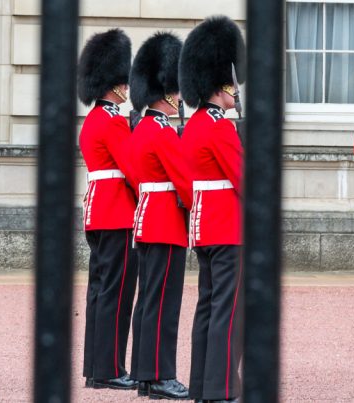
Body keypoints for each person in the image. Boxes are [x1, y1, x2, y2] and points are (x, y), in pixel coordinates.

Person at [178, 16, 246, 402]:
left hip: (204, 227)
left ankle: (202, 384)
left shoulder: (196, 125)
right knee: (227, 311)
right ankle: (221, 387)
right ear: (222, 86)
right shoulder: (220, 127)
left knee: (207, 307)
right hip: (226, 228)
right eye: (232, 87)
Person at [126, 32, 192, 400]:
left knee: (147, 301)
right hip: (166, 224)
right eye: (177, 92)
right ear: (167, 92)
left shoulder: (139, 130)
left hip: (146, 219)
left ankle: (143, 374)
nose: (181, 99)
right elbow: (185, 184)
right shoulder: (164, 134)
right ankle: (160, 375)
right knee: (164, 304)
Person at [76, 28, 138, 391]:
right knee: (117, 292)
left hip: (97, 211)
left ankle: (96, 367)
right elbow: (132, 168)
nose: (128, 89)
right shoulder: (114, 121)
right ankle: (111, 368)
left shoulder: (92, 121)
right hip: (118, 213)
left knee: (99, 291)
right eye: (124, 83)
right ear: (114, 84)